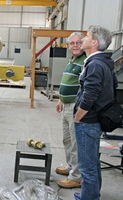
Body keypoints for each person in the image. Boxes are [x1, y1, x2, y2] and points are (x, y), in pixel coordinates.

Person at [73, 25, 114, 200]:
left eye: (86, 37)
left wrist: (77, 117)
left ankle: (88, 198)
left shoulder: (95, 64)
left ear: (94, 42)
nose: (83, 40)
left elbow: (90, 95)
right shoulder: (101, 62)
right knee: (93, 162)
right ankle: (90, 194)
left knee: (86, 166)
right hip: (94, 121)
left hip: (87, 122)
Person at [55, 32, 86, 189]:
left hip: (75, 106)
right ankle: (71, 167)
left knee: (75, 143)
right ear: (68, 46)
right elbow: (68, 81)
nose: (75, 45)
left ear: (84, 43)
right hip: (66, 106)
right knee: (67, 140)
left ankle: (76, 177)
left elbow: (87, 88)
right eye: (72, 43)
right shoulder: (72, 60)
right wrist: (61, 98)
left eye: (78, 42)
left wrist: (79, 109)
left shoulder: (85, 61)